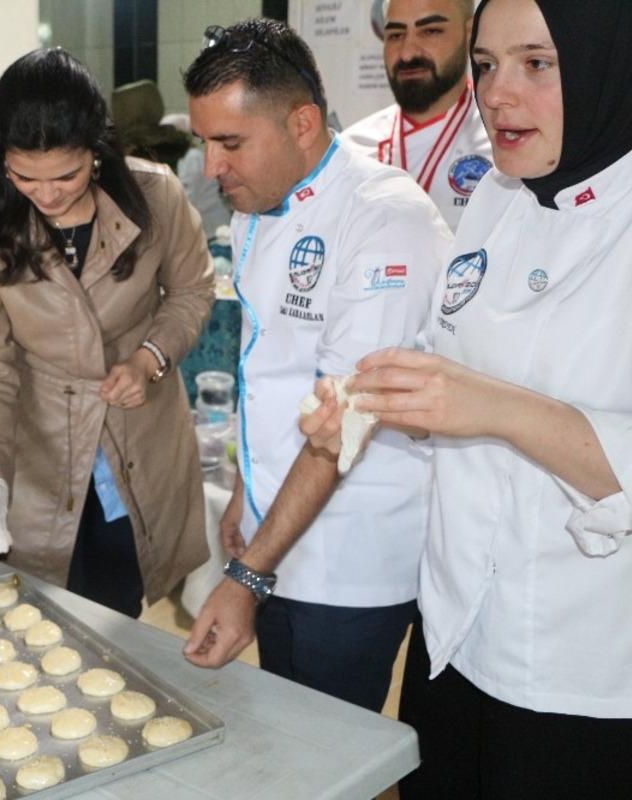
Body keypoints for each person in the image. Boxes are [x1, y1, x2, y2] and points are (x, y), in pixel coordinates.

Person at [303, 0, 632, 794]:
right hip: (453, 631)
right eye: (485, 65)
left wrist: (491, 407)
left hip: (578, 668)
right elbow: (453, 361)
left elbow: (488, 399)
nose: (498, 93)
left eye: (537, 63)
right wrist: (375, 396)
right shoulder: (496, 197)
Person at [181, 19, 452, 713]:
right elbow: (266, 367)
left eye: (230, 143)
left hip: (350, 558)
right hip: (279, 529)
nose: (213, 168)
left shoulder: (384, 219)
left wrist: (245, 578)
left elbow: (343, 422)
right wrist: (247, 484)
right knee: (283, 733)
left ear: (302, 123)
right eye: (204, 143)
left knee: (327, 749)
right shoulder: (257, 208)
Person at [0, 49, 214, 618]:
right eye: (24, 177)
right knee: (37, 611)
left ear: (97, 150)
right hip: (39, 443)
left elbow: (192, 293)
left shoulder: (157, 196)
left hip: (138, 434)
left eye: (66, 175)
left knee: (120, 608)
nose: (47, 194)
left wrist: (150, 358)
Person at [342, 0, 492, 231]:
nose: (408, 53)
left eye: (430, 31)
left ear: (471, 34)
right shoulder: (350, 150)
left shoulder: (501, 146)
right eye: (395, 34)